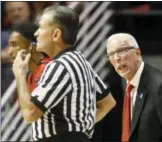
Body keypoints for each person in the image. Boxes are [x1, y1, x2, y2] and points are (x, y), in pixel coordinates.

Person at [12, 5, 116, 142]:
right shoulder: (81, 61)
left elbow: (30, 113)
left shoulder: (60, 66)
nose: (36, 33)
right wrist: (79, 129)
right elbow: (108, 102)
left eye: (41, 27)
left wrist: (20, 74)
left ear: (56, 35)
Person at [106, 33, 162, 142]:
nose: (117, 58)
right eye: (111, 54)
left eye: (121, 51)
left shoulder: (161, 87)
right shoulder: (125, 83)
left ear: (137, 52)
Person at [8, 22, 51, 92]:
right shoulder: (29, 74)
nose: (9, 52)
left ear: (32, 47)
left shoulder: (48, 69)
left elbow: (29, 103)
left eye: (14, 45)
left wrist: (19, 76)